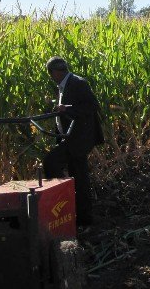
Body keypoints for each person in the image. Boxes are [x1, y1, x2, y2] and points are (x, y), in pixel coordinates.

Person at [43, 56, 104, 227]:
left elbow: (92, 106)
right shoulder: (64, 85)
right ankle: (82, 217)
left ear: (54, 72)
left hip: (78, 140)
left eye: (51, 73)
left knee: (51, 162)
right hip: (71, 139)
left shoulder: (78, 83)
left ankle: (62, 199)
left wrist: (66, 108)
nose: (51, 76)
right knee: (79, 176)